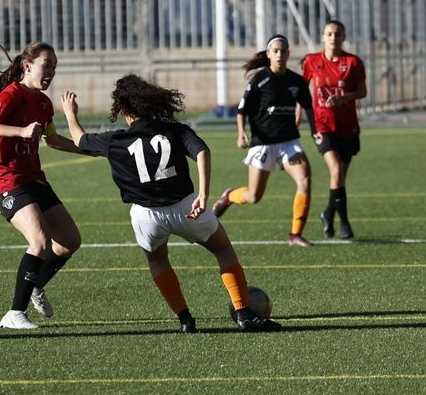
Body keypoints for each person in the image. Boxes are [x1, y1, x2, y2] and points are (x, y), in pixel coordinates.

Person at [60, 74, 281, 332]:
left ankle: (185, 319)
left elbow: (80, 140)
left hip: (146, 216)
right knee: (222, 250)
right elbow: (202, 152)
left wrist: (70, 114)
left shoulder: (116, 140)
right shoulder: (176, 130)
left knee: (158, 261)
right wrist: (203, 194)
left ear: (123, 109)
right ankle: (244, 314)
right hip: (186, 208)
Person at [0, 42, 84, 329]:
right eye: (46, 65)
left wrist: (90, 148)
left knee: (69, 241)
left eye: (54, 67)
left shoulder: (44, 103)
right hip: (7, 179)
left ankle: (35, 284)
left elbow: (52, 140)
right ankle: (15, 313)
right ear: (27, 66)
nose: (51, 72)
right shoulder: (11, 94)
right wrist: (21, 131)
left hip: (34, 178)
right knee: (40, 241)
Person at [212, 35, 317, 247]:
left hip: (288, 142)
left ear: (288, 54)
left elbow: (308, 107)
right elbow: (241, 110)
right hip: (263, 143)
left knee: (304, 180)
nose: (280, 54)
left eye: (283, 51)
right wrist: (241, 133)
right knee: (253, 196)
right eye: (275, 51)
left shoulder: (296, 81)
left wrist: (315, 131)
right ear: (268, 54)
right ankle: (229, 196)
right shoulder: (260, 80)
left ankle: (295, 235)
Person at [301, 20, 367, 240]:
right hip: (322, 125)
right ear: (322, 37)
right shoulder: (312, 61)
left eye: (337, 34)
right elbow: (302, 90)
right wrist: (297, 113)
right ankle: (345, 223)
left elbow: (362, 91)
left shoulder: (353, 62)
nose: (333, 38)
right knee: (336, 169)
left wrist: (343, 98)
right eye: (329, 34)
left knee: (339, 178)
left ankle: (328, 214)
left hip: (347, 126)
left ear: (343, 37)